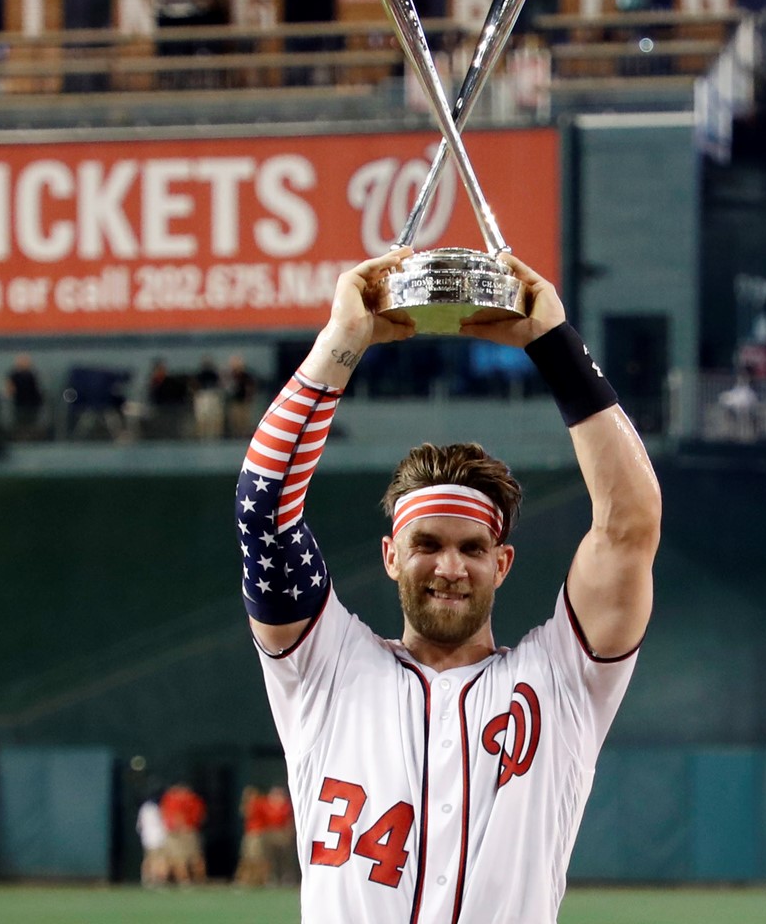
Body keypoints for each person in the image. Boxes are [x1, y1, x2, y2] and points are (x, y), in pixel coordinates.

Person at [233, 248, 661, 922]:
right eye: (426, 545)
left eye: (472, 548)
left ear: (504, 562)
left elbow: (630, 526)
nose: (450, 567)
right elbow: (264, 511)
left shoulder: (562, 680)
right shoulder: (323, 666)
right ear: (391, 557)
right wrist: (341, 342)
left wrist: (555, 345)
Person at [159, 782, 208, 886]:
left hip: (184, 832)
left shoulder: (188, 799)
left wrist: (184, 825)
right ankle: (191, 881)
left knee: (190, 859)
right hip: (182, 832)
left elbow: (197, 815)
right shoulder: (172, 798)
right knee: (184, 859)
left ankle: (191, 881)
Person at [233, 786, 271, 888]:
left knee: (258, 858)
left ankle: (262, 879)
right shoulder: (249, 804)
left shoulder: (259, 803)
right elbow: (244, 813)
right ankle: (249, 879)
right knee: (248, 857)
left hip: (257, 833)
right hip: (250, 833)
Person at [262, 784, 298, 886]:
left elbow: (290, 821)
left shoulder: (286, 806)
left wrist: (288, 833)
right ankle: (272, 877)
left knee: (286, 858)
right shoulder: (266, 805)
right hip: (270, 834)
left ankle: (287, 877)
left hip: (283, 834)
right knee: (271, 858)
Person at [136, 793, 171, 889]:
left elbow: (139, 826)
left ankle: (147, 880)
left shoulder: (143, 809)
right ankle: (157, 880)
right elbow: (163, 823)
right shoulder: (156, 808)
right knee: (159, 860)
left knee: (149, 859)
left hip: (147, 838)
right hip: (158, 838)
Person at [224, 354, 259, 440]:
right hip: (235, 400)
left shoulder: (246, 375)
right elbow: (227, 386)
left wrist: (249, 397)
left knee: (244, 419)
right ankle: (236, 434)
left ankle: (243, 434)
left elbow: (250, 387)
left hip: (243, 400)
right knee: (235, 419)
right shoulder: (231, 375)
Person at [193, 357, 224, 440]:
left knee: (215, 416)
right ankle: (202, 435)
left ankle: (216, 435)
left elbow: (219, 383)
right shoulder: (200, 374)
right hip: (202, 395)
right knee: (202, 417)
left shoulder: (213, 374)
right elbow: (195, 385)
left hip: (213, 395)